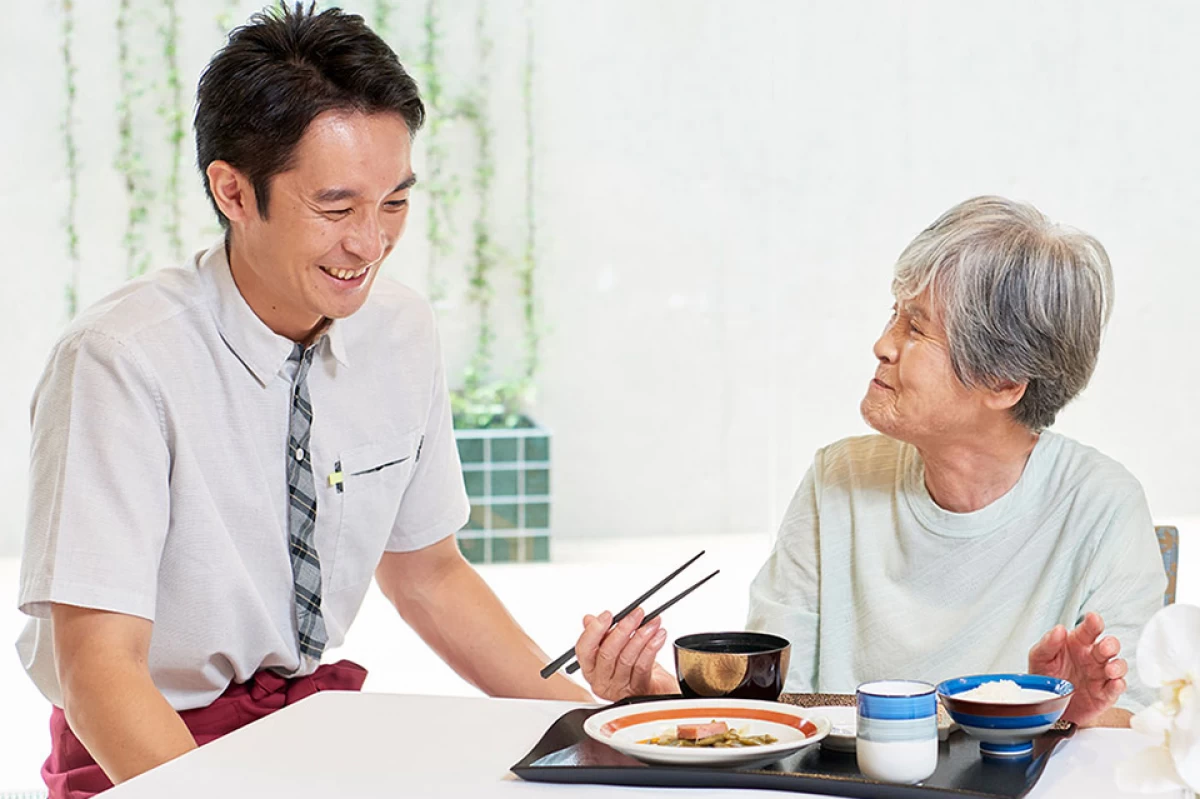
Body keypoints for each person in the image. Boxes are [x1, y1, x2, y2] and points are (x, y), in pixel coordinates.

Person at [17, 7, 590, 796]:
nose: (371, 243)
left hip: (313, 729)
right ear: (233, 191)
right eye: (336, 207)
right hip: (145, 743)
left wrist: (599, 734)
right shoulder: (120, 360)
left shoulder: (401, 329)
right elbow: (98, 667)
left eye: (394, 201)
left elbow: (429, 575)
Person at [575, 197, 1166, 728]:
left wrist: (1076, 717)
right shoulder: (839, 478)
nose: (883, 344)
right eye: (894, 314)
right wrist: (645, 689)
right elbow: (773, 711)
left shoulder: (1101, 504)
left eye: (916, 328)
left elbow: (1135, 725)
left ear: (1003, 380)